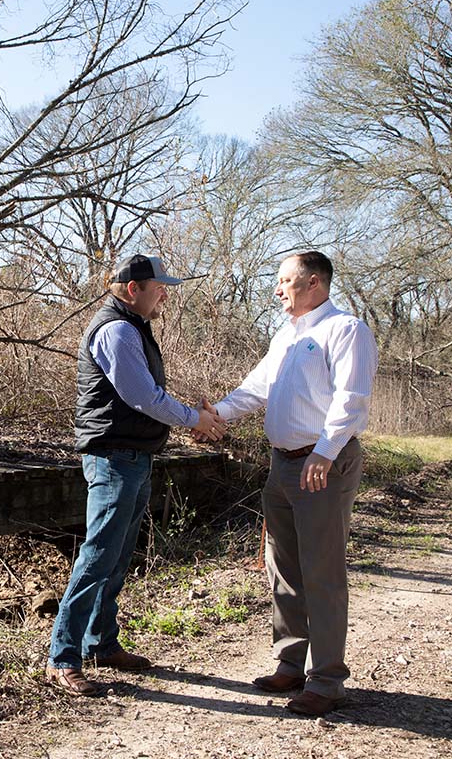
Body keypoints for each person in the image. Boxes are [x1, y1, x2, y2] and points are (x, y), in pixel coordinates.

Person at [46, 254, 226, 697]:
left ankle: (101, 644)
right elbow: (142, 396)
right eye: (158, 286)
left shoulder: (133, 327)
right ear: (133, 289)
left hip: (133, 458)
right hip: (113, 460)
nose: (165, 292)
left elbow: (147, 395)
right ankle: (63, 657)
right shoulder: (118, 329)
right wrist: (192, 420)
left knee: (117, 556)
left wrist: (190, 415)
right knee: (97, 557)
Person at [207, 250, 377, 716]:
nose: (278, 289)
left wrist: (324, 453)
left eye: (286, 280)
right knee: (282, 568)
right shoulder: (286, 335)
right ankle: (290, 664)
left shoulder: (345, 330)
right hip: (282, 465)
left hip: (322, 464)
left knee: (321, 571)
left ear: (315, 283)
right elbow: (256, 388)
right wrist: (213, 415)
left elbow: (352, 399)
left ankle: (327, 681)